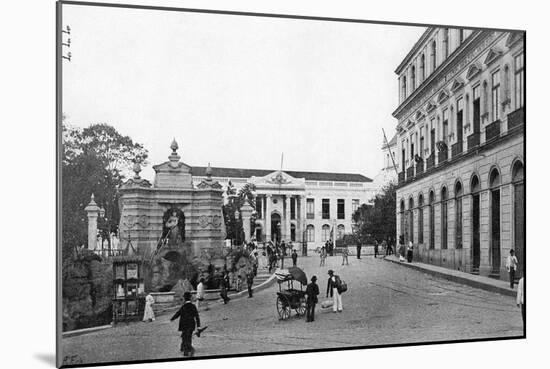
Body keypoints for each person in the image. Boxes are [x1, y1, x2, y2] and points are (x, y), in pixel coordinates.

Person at [171, 291, 201, 357]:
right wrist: (198, 326)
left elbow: (178, 313)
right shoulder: (193, 306)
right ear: (190, 298)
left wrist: (172, 319)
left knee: (184, 336)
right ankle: (187, 349)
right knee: (189, 337)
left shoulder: (183, 306)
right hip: (191, 324)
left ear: (184, 298)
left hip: (183, 325)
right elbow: (197, 316)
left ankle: (186, 349)